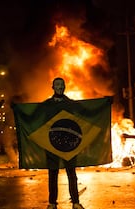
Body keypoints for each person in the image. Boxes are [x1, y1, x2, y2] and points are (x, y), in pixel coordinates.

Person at [45, 77, 85, 209]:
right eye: (57, 85)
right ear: (53, 87)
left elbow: (86, 110)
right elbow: (34, 114)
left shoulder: (70, 103)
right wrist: (17, 108)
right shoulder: (47, 104)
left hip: (68, 143)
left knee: (71, 173)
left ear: (65, 87)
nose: (60, 87)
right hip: (52, 142)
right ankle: (52, 203)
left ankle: (76, 202)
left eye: (62, 85)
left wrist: (105, 102)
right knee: (52, 173)